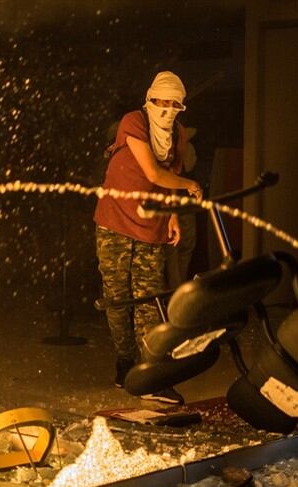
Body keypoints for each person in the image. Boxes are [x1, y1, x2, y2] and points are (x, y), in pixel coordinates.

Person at [93, 71, 202, 405]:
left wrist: (172, 216)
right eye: (162, 102)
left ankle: (151, 370)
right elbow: (154, 173)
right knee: (117, 297)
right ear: (149, 99)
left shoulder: (178, 135)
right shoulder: (134, 122)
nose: (167, 110)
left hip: (151, 222)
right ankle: (125, 363)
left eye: (175, 104)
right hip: (114, 221)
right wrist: (189, 188)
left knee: (149, 298)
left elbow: (171, 174)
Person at [164, 127, 199, 289]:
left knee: (178, 254)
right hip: (179, 208)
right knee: (180, 253)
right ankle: (178, 294)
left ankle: (177, 293)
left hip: (180, 207)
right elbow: (190, 167)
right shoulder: (185, 150)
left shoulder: (178, 150)